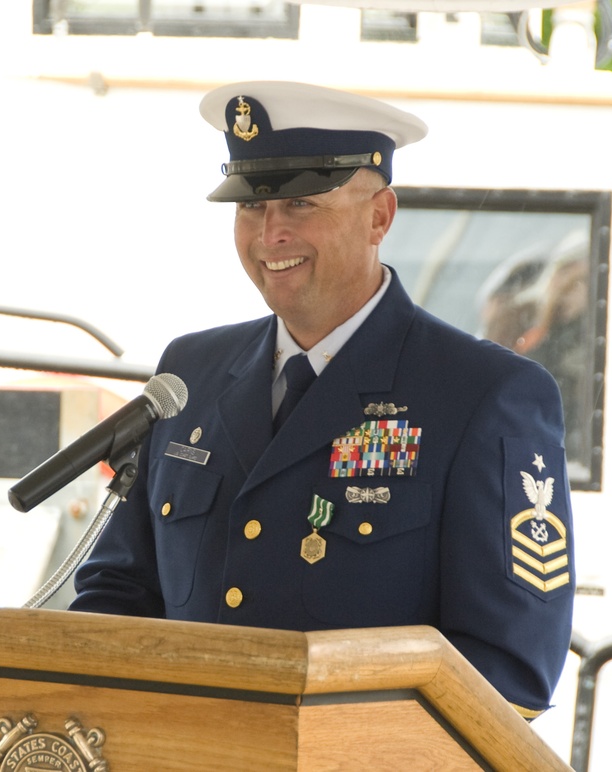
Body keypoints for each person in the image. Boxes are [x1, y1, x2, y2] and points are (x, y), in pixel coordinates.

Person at [69, 81, 574, 719]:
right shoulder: (190, 371)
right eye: (250, 207)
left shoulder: (483, 394)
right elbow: (117, 591)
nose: (269, 233)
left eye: (301, 204)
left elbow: (509, 670)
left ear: (380, 217)